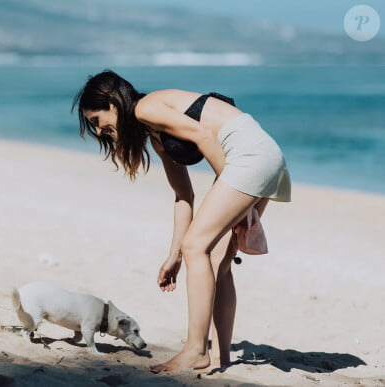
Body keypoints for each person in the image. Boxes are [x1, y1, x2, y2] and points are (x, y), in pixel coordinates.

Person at [72, 70, 290, 373]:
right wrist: (174, 255)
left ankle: (195, 350)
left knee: (196, 246)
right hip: (264, 156)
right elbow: (183, 195)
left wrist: (241, 204)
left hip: (249, 158)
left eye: (97, 120)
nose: (98, 131)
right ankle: (221, 356)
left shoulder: (145, 107)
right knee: (215, 261)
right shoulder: (155, 133)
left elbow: (204, 135)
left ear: (113, 102)